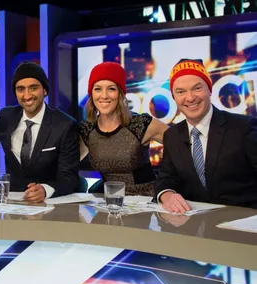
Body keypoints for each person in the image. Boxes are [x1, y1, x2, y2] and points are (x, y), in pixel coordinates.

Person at [156, 58, 257, 212]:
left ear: (209, 89)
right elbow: (167, 178)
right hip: (194, 225)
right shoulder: (172, 135)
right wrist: (166, 194)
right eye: (181, 92)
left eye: (197, 88)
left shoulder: (243, 128)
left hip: (243, 225)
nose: (190, 98)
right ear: (174, 97)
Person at [0, 61, 80, 203]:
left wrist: (46, 190)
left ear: (45, 90)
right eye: (20, 89)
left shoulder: (65, 125)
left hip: (48, 207)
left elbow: (69, 177)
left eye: (33, 88)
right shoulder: (6, 117)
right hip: (12, 203)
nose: (27, 95)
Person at [79, 61, 168, 196]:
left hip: (145, 202)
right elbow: (66, 165)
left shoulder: (140, 124)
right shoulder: (87, 129)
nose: (104, 96)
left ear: (121, 93)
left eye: (111, 89)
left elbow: (181, 145)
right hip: (108, 203)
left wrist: (169, 186)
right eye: (97, 89)